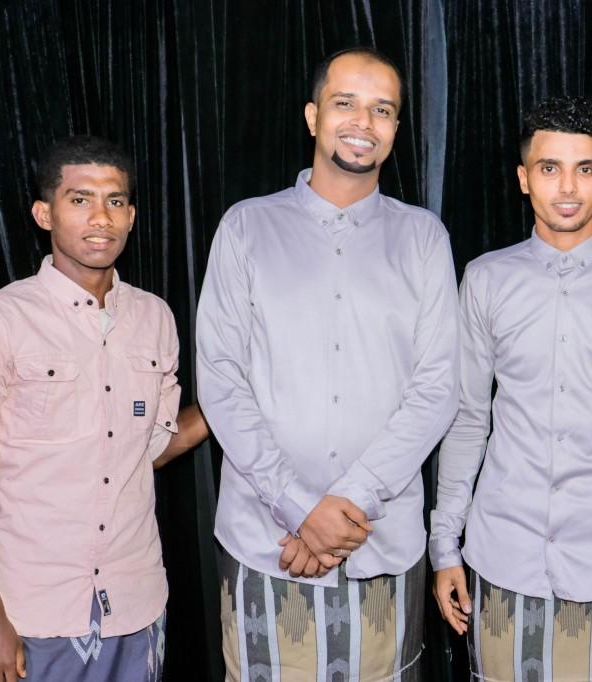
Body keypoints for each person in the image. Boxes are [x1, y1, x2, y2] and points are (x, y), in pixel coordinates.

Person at [196, 47, 458, 680]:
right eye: (345, 103)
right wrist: (297, 508)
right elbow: (221, 379)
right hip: (265, 541)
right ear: (313, 116)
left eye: (382, 110)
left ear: (396, 129)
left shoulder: (424, 238)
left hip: (381, 544)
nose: (363, 122)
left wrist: (346, 509)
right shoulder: (246, 228)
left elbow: (437, 389)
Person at [429, 96, 592, 681]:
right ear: (524, 179)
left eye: (585, 169)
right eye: (549, 168)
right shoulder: (486, 277)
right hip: (503, 556)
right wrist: (445, 544)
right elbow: (469, 418)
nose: (568, 187)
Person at [0, 135, 208, 682]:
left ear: (131, 216)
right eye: (80, 199)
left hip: (136, 602)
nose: (100, 217)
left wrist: (233, 399)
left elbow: (149, 449)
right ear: (45, 214)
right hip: (33, 612)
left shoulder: (155, 318)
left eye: (115, 200)